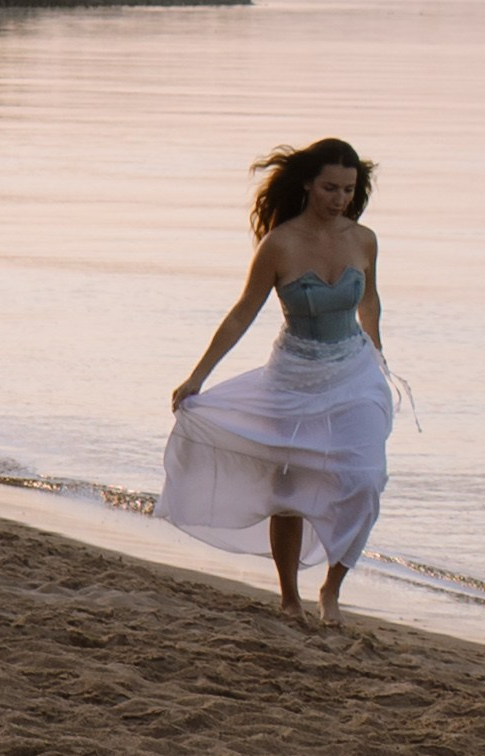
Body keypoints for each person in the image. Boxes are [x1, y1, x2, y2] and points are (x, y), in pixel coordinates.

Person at [161, 135, 392, 625]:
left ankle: (332, 587)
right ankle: (290, 596)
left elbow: (369, 299)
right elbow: (243, 312)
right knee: (286, 488)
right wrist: (198, 376)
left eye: (348, 190)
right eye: (331, 188)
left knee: (366, 479)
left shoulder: (364, 239)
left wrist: (377, 352)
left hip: (353, 372)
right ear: (309, 184)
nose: (340, 200)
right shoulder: (279, 243)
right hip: (293, 378)